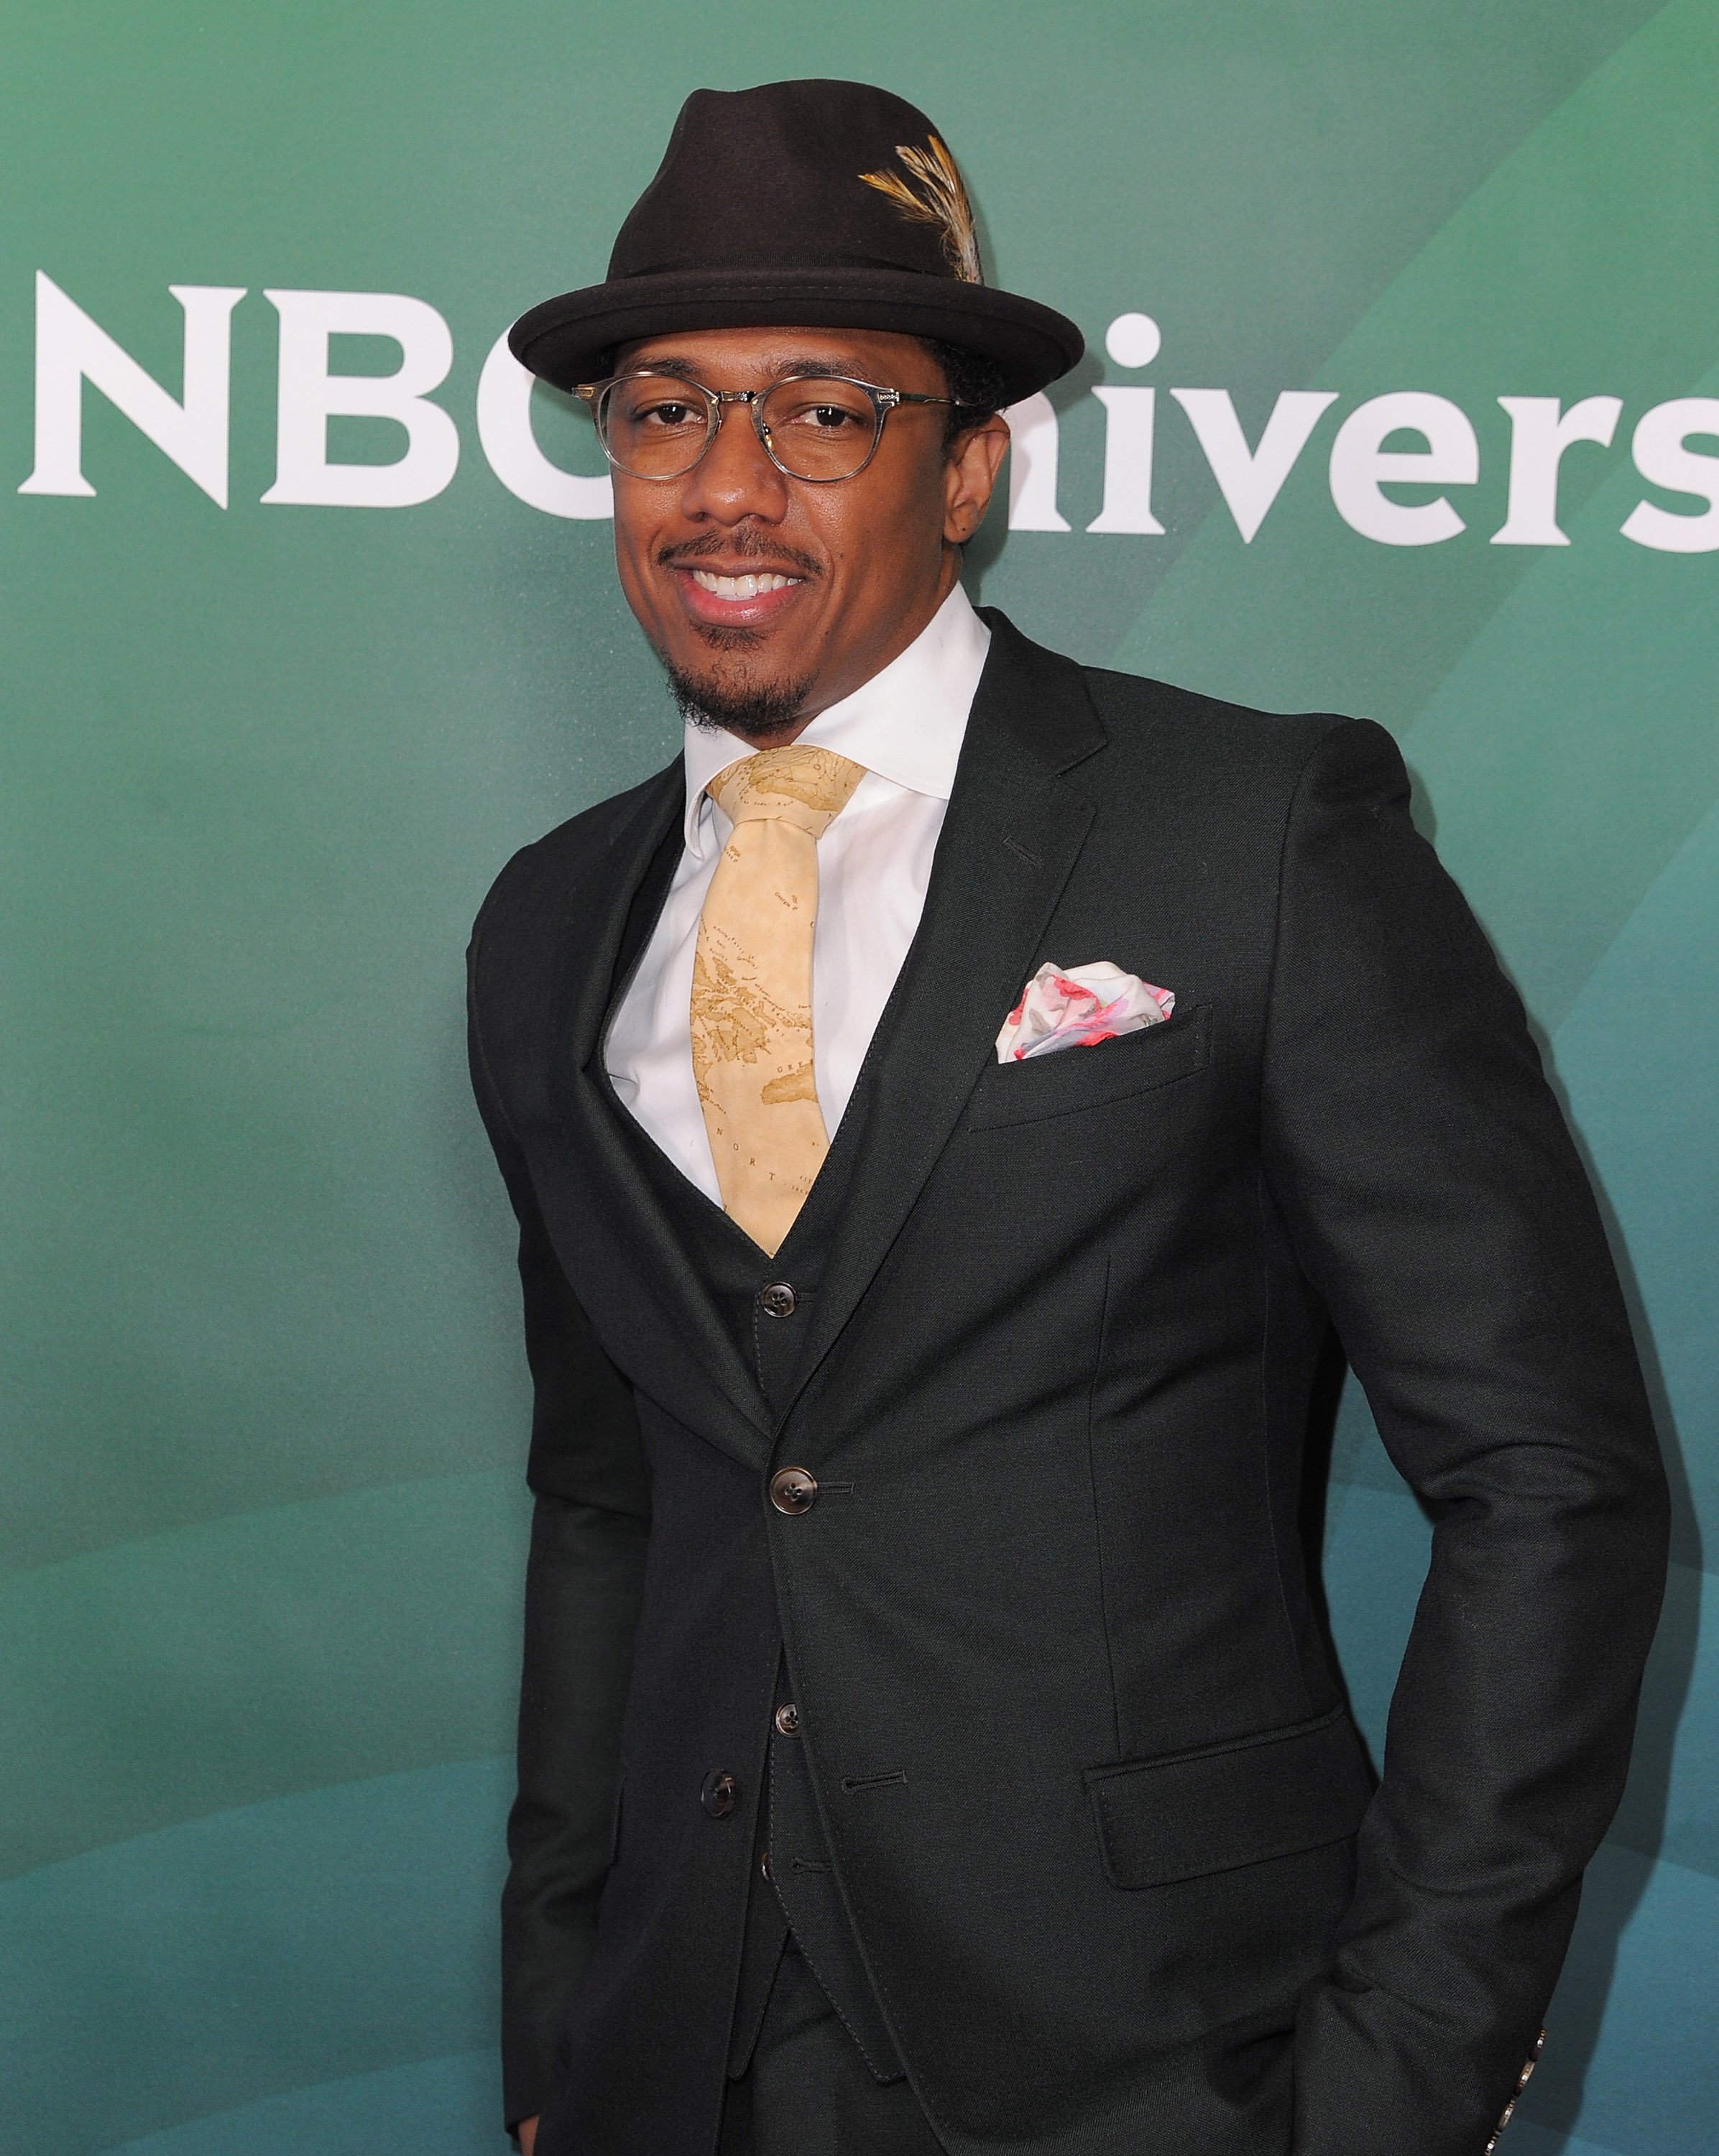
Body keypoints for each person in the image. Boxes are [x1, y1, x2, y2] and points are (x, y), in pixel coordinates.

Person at [466, 78, 1669, 2156]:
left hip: (1171, 2066)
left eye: (823, 409)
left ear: (971, 469)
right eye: (663, 411)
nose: (726, 485)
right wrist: (566, 2018)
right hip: (676, 2064)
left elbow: (1552, 1484)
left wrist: (1404, 2079)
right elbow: (613, 1505)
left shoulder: (1258, 836)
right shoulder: (549, 925)